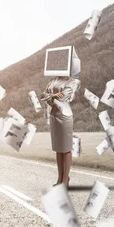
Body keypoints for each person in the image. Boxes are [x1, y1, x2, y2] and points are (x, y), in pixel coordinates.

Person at [41, 57, 81, 188]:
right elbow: (43, 96)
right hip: (54, 115)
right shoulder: (53, 80)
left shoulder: (72, 81)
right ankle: (59, 179)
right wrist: (53, 96)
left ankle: (65, 180)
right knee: (58, 149)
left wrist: (50, 96)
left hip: (64, 115)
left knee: (66, 148)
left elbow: (64, 97)